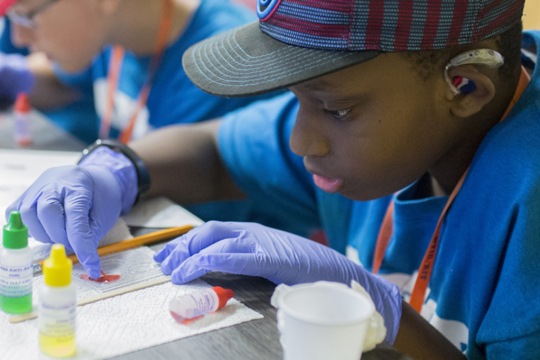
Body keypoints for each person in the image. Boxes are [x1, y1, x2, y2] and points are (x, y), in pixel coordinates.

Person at [7, 0, 540, 358]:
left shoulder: (527, 199)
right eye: (296, 101)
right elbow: (216, 150)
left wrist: (386, 314)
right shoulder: (392, 115)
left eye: (335, 110)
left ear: (464, 88)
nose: (300, 140)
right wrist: (115, 167)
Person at [0, 0, 269, 143]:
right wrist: (13, 77)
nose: (19, 39)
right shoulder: (107, 33)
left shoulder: (227, 63)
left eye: (25, 16)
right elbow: (59, 81)